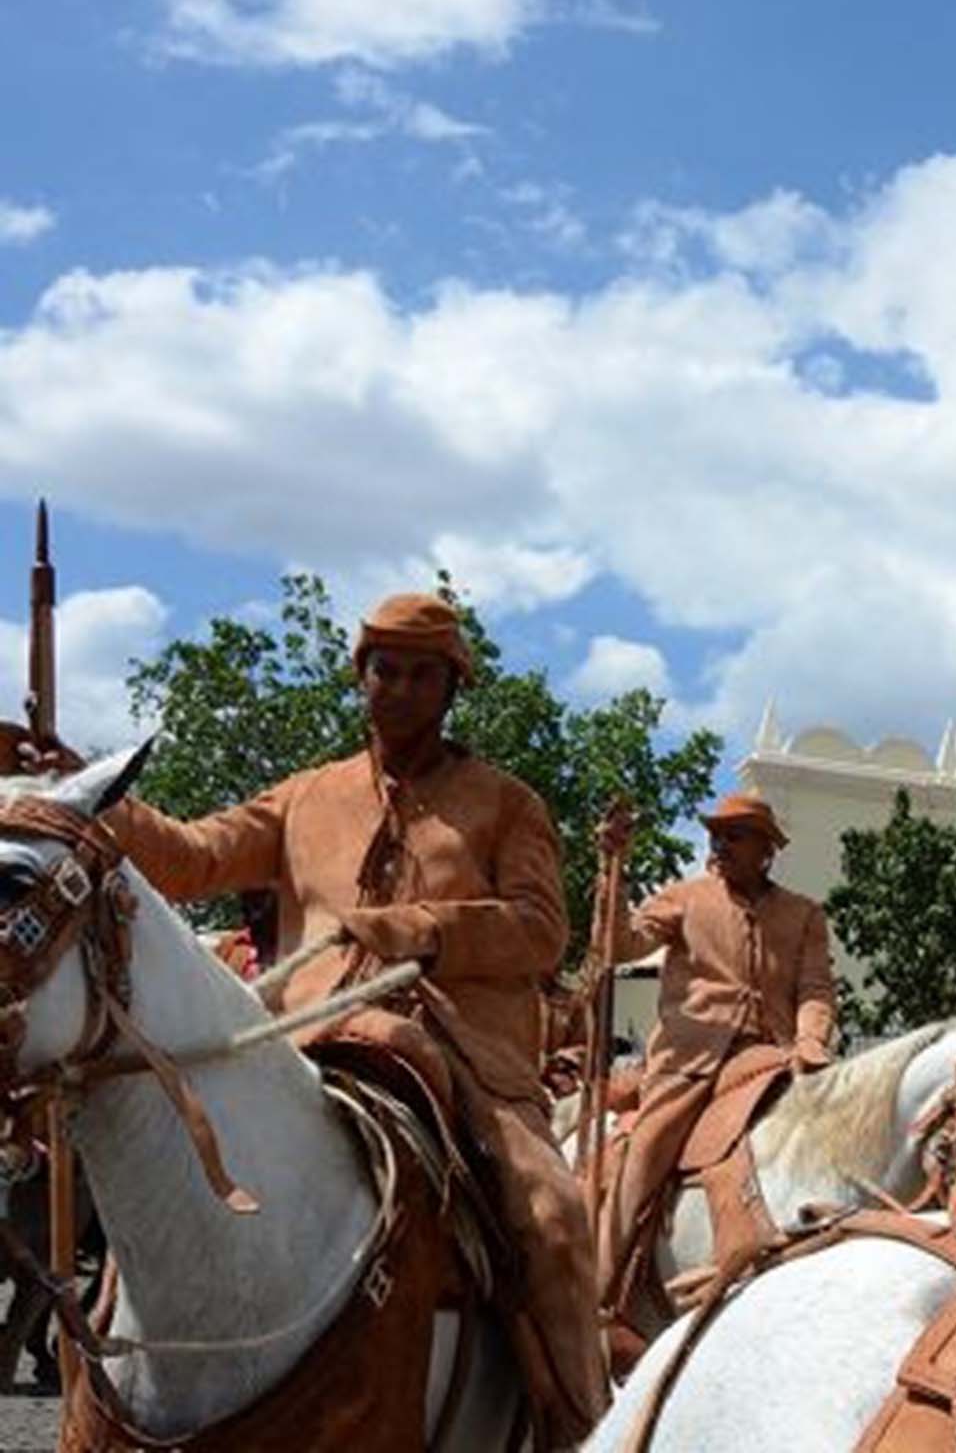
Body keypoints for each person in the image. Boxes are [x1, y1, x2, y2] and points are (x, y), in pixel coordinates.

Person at [106, 592, 606, 1446]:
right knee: (157, 1199)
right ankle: (112, 1387)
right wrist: (97, 796)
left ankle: (585, 1425)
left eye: (421, 675)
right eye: (384, 671)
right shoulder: (307, 796)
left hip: (459, 1056)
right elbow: (192, 858)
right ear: (361, 679)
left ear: (452, 689)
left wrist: (424, 930)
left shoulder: (507, 803)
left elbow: (542, 929)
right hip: (303, 1048)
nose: (399, 689)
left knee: (555, 1219)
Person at [592, 791, 835, 1348]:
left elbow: (815, 988)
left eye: (734, 834)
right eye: (715, 834)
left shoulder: (803, 915)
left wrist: (809, 1040)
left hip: (771, 1054)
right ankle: (598, 1292)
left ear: (765, 850)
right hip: (689, 1062)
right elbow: (620, 944)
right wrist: (615, 872)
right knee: (646, 1154)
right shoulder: (686, 898)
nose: (718, 844)